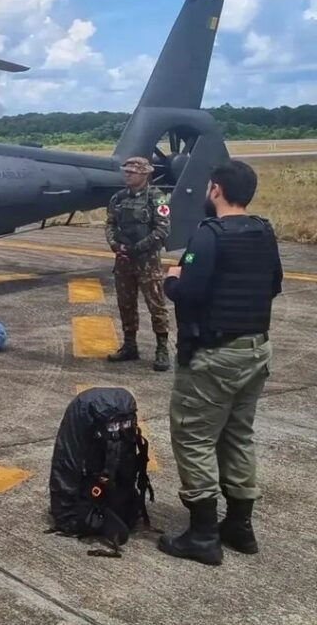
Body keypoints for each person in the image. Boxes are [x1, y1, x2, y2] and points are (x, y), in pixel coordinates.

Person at [158, 160, 282, 566]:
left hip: (214, 356)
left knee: (193, 438)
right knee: (238, 436)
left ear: (215, 190)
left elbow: (187, 292)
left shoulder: (208, 236)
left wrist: (172, 278)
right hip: (255, 349)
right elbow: (274, 285)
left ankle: (203, 535)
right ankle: (240, 527)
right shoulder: (264, 232)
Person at [104, 156, 172, 371]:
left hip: (147, 262)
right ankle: (130, 346)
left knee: (156, 306)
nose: (127, 174)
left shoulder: (157, 198)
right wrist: (115, 245)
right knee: (126, 305)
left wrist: (139, 247)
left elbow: (162, 230)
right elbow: (110, 224)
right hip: (124, 261)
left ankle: (162, 349)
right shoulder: (118, 198)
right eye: (126, 171)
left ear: (144, 174)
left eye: (132, 172)